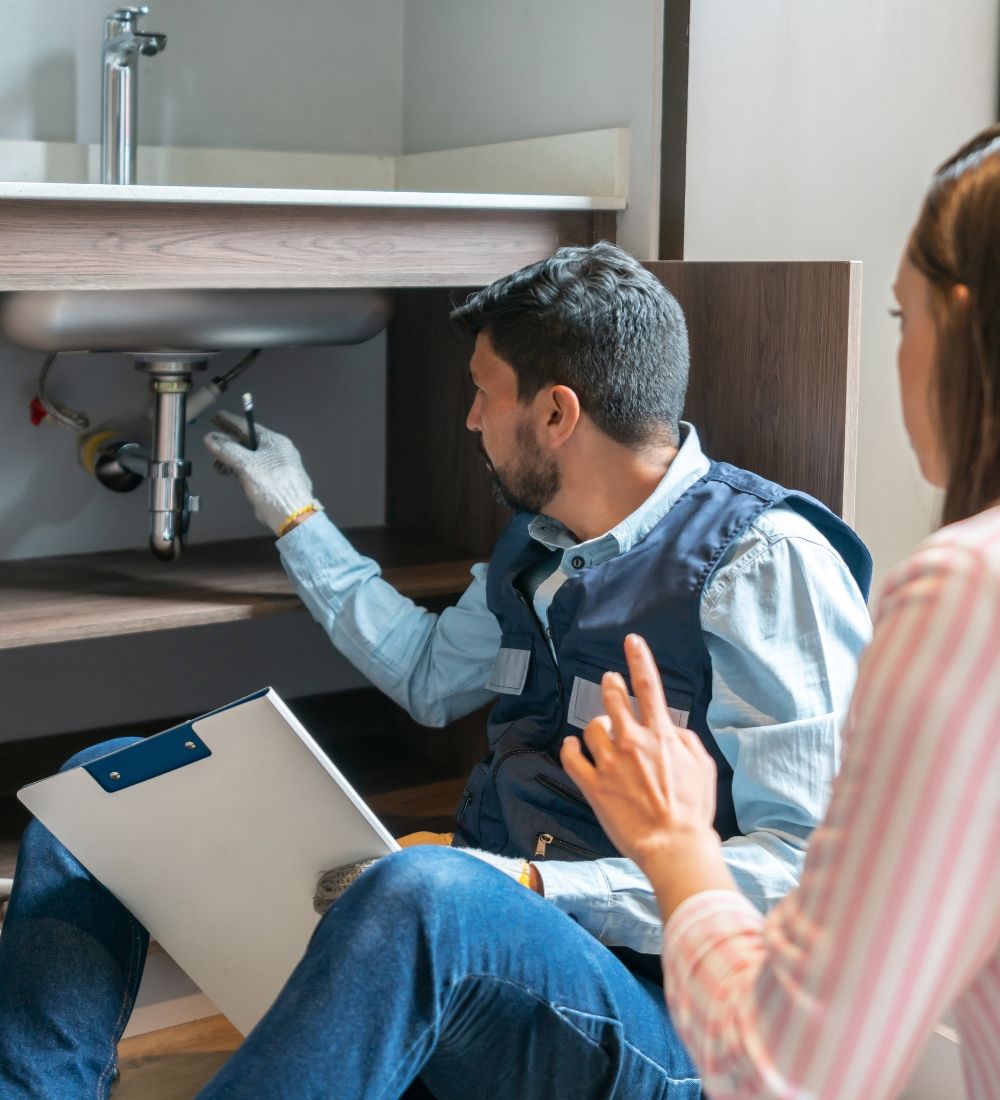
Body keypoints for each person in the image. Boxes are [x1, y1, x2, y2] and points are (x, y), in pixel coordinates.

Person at [0, 243, 872, 1099]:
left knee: (432, 888)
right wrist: (297, 515)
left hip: (666, 1022)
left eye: (483, 394)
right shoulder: (537, 544)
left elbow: (808, 874)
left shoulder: (763, 564)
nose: (470, 420)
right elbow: (427, 675)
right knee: (105, 786)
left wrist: (530, 886)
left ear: (557, 414)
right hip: (483, 958)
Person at [561, 130, 1000, 1100]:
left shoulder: (966, 587)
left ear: (963, 325)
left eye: (902, 314)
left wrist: (674, 842)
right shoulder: (529, 554)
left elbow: (789, 1067)